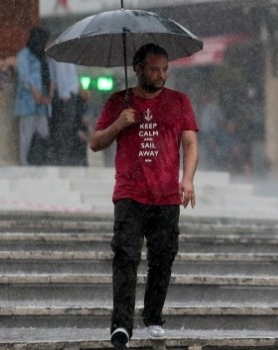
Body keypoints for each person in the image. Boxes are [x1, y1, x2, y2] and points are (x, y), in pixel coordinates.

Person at [89, 43, 199, 349]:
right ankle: (121, 326)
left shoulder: (179, 101)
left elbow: (190, 143)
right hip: (129, 193)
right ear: (137, 69)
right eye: (154, 69)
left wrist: (187, 179)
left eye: (165, 69)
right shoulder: (118, 102)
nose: (161, 75)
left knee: (163, 258)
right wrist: (119, 123)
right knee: (125, 257)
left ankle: (153, 316)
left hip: (166, 195)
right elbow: (95, 143)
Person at [14, 26, 54, 166]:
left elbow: (49, 75)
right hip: (28, 102)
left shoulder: (43, 56)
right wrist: (34, 92)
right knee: (27, 133)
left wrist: (50, 91)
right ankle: (25, 162)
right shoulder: (24, 55)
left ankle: (41, 159)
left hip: (42, 102)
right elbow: (25, 76)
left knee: (43, 132)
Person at [50, 60, 90, 166]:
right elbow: (61, 77)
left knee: (69, 128)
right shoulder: (60, 59)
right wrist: (65, 96)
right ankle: (63, 157)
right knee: (65, 129)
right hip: (66, 97)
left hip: (72, 95)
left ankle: (68, 157)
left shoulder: (70, 61)